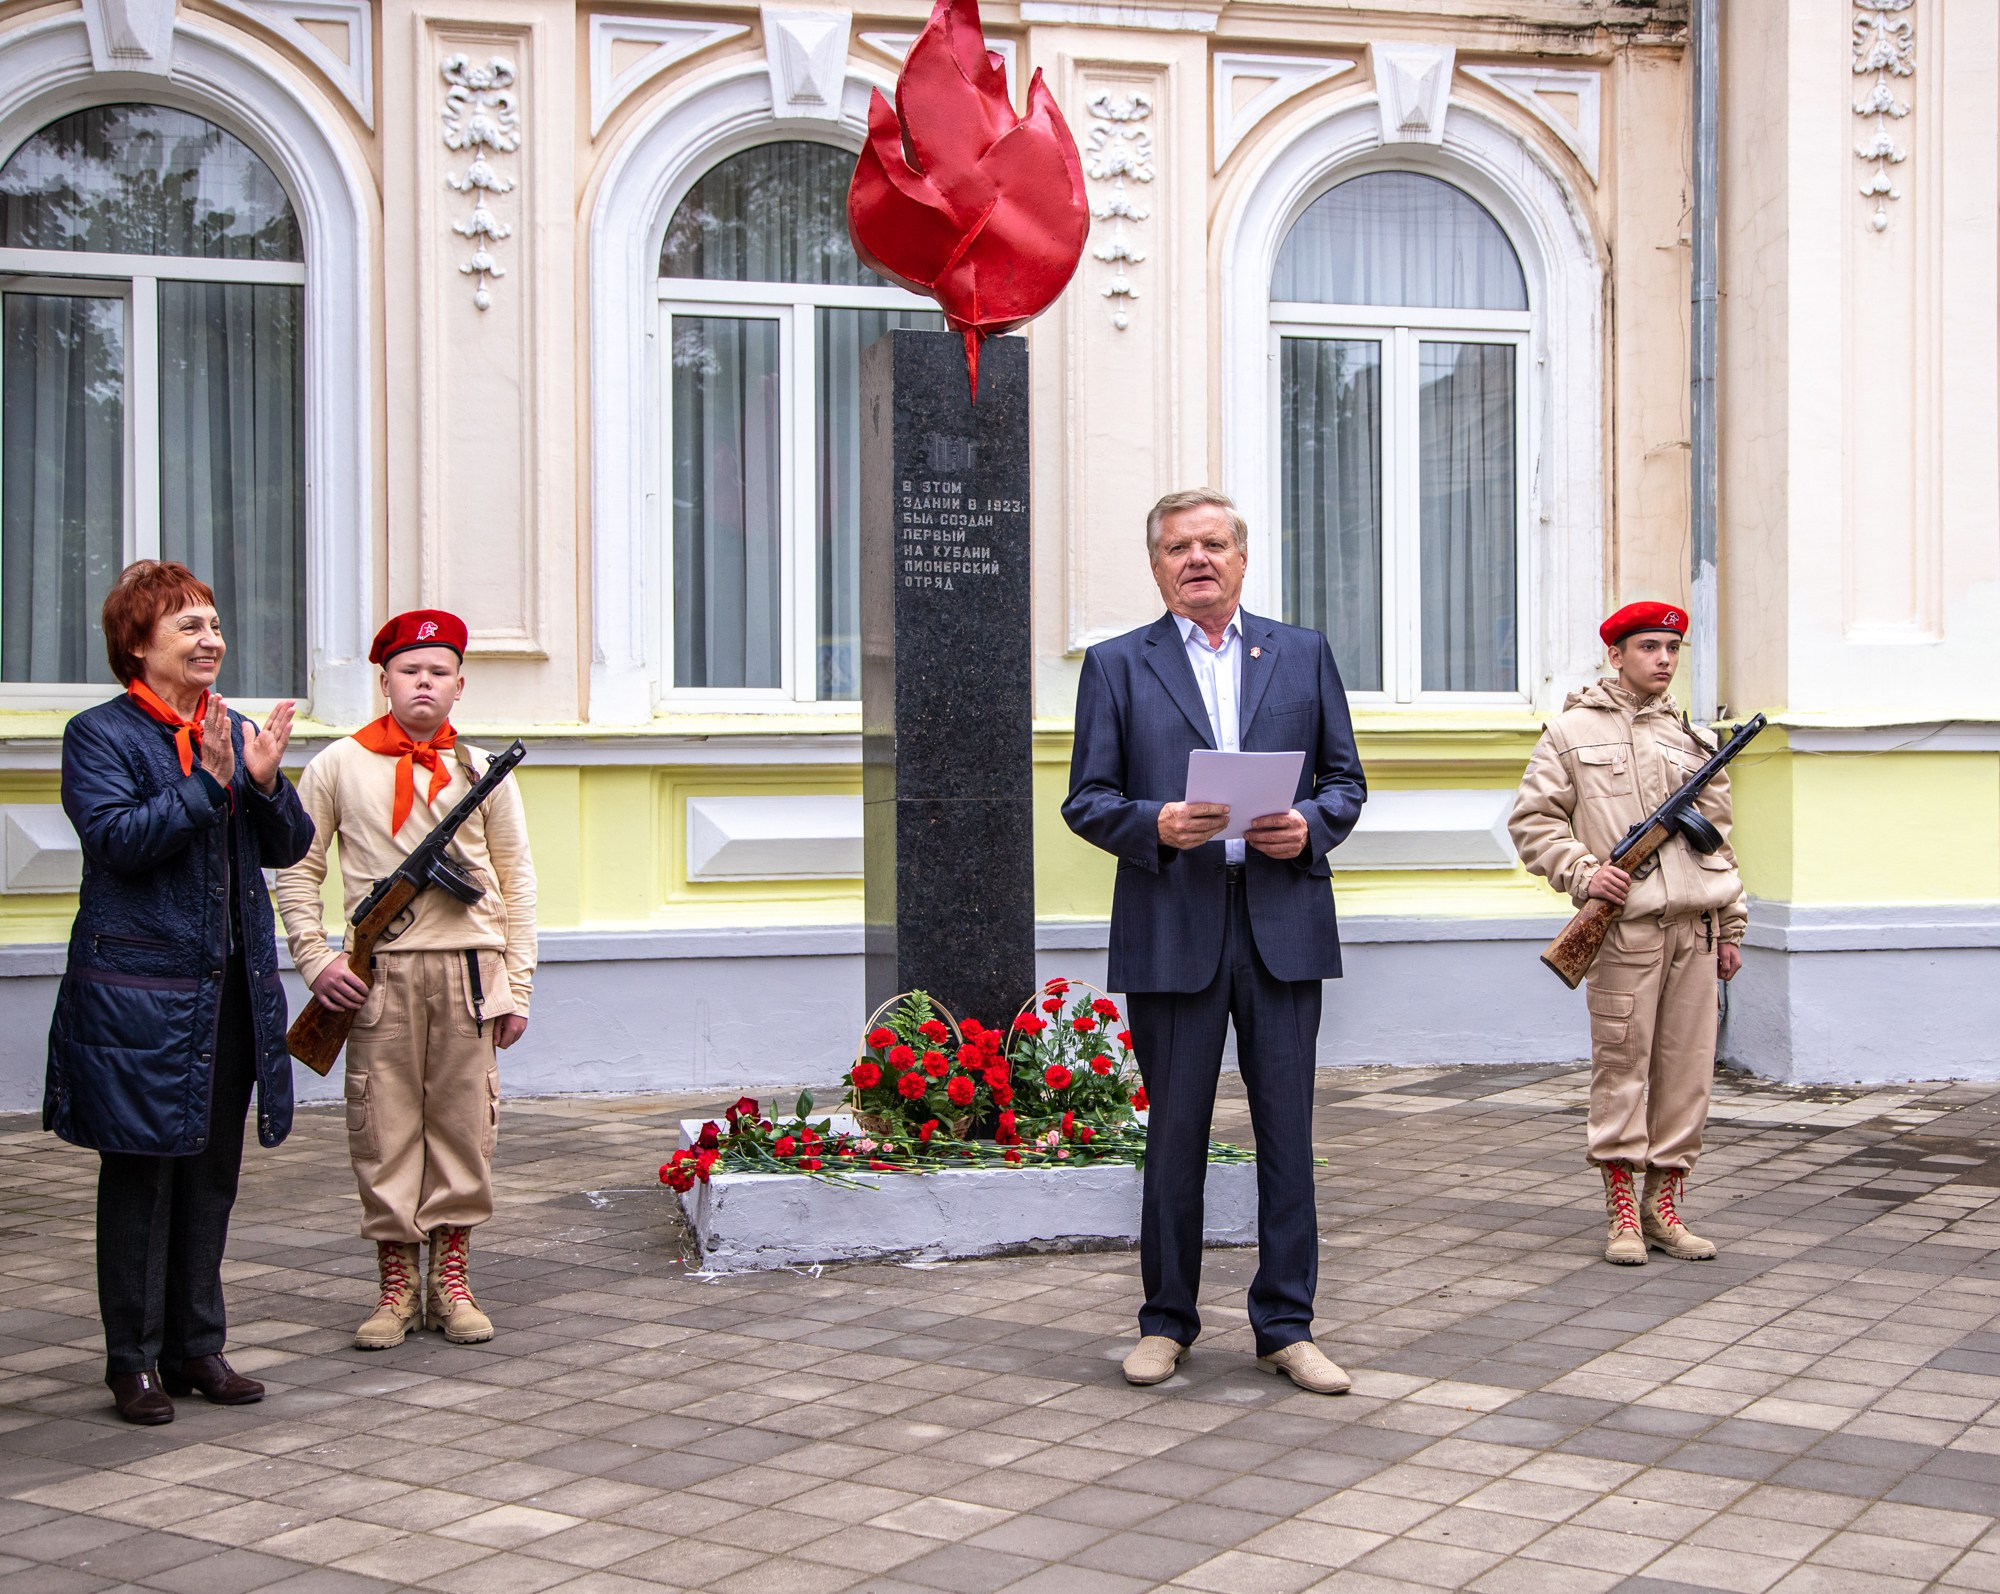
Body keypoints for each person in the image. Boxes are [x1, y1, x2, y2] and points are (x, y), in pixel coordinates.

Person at [1062, 488, 1366, 1394]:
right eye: (1177, 548)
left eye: (1213, 544)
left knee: (1287, 1137)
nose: (1197, 559)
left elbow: (1346, 781)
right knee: (1174, 1138)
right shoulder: (1118, 665)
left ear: (1241, 557)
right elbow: (1087, 800)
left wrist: (1310, 826)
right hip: (1173, 923)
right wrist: (1154, 824)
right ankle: (1166, 1323)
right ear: (1156, 566)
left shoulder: (1302, 653)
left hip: (1282, 922)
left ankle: (1287, 1327)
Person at [46, 561, 313, 1424]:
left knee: (209, 1176)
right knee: (141, 1179)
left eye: (215, 624)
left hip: (229, 992)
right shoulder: (99, 735)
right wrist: (206, 784)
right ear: (138, 644)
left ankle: (197, 1348)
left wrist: (263, 783)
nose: (211, 640)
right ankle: (132, 1362)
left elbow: (288, 846)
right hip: (140, 998)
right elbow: (117, 841)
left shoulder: (231, 729)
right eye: (189, 626)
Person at [276, 610, 535, 1349]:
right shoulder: (337, 764)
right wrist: (316, 959)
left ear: (459, 685)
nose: (424, 682)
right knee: (383, 1127)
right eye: (409, 671)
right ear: (385, 681)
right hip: (377, 978)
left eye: (438, 671)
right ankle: (396, 1288)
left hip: (470, 975)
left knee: (464, 1126)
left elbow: (517, 881)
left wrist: (518, 986)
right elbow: (296, 868)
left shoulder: (482, 772)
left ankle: (451, 1283)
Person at [1509, 601, 1746, 1265]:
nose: (1663, 660)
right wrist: (1587, 874)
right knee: (1622, 1070)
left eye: (1672, 649)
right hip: (1624, 935)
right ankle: (1621, 1212)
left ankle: (1663, 1208)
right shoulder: (1570, 733)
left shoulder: (1693, 741)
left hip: (1695, 931)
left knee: (1687, 1073)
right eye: (1648, 647)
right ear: (1615, 654)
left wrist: (1732, 924)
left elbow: (1720, 843)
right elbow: (1533, 823)